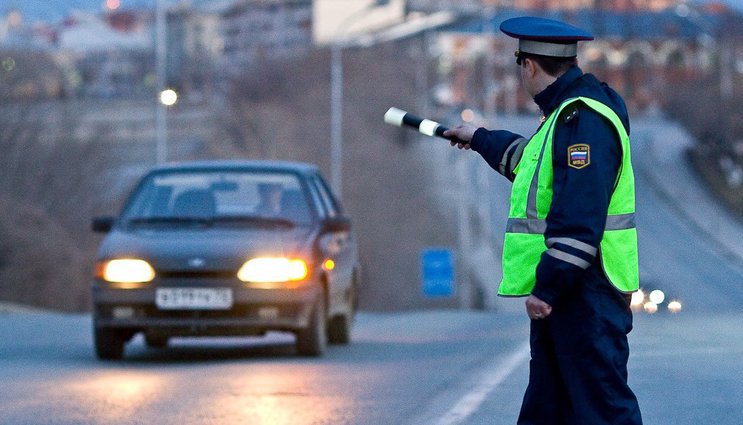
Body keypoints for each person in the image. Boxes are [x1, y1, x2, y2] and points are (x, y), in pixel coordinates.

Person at [443, 16, 643, 425]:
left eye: (519, 65)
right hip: (573, 296)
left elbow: (579, 217)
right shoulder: (565, 117)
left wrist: (548, 287)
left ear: (529, 66)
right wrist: (480, 138)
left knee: (602, 412)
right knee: (549, 411)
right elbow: (532, 167)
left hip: (586, 293)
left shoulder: (584, 121)